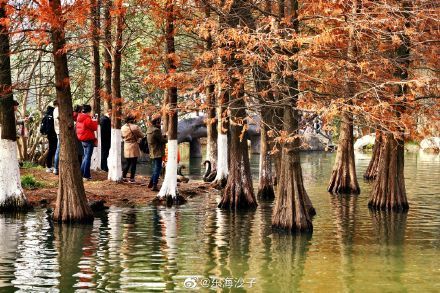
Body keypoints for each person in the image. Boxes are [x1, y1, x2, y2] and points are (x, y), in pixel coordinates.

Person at [76, 104, 98, 180]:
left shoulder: (79, 117)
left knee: (85, 157)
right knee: (88, 157)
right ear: (89, 111)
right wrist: (95, 119)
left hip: (82, 139)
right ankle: (86, 175)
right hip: (88, 140)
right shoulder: (87, 119)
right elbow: (94, 127)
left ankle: (81, 173)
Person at [121, 114, 145, 183]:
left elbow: (122, 136)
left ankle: (124, 176)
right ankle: (132, 178)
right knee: (134, 163)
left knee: (127, 162)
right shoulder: (135, 127)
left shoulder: (123, 127)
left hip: (126, 146)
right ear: (133, 120)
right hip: (134, 146)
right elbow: (142, 135)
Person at [147, 116, 167, 191]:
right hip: (158, 151)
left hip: (152, 151)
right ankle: (154, 185)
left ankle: (151, 183)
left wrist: (163, 136)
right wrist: (168, 137)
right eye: (159, 122)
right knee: (157, 169)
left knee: (155, 168)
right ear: (157, 123)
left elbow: (156, 138)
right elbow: (162, 140)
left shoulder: (149, 129)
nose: (160, 124)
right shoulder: (156, 130)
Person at [40, 105, 58, 173]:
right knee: (53, 150)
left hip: (49, 135)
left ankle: (49, 166)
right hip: (53, 135)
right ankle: (49, 166)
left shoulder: (46, 116)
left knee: (51, 150)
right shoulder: (51, 116)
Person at [53, 101, 60, 175]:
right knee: (58, 150)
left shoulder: (55, 110)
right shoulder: (57, 110)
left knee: (58, 150)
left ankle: (56, 168)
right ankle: (55, 168)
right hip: (60, 131)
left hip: (58, 131)